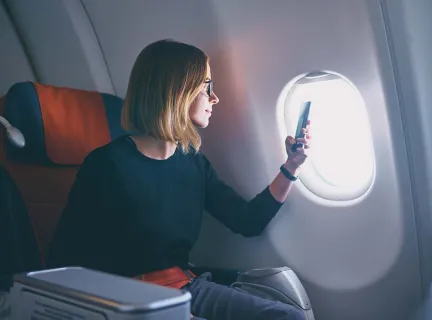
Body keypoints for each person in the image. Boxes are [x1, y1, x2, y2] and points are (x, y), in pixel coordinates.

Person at [46, 39, 312, 320]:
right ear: (177, 91)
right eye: (206, 86)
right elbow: (66, 259)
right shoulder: (108, 165)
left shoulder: (192, 162)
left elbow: (247, 221)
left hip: (184, 287)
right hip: (127, 298)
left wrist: (291, 166)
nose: (215, 97)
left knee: (288, 316)